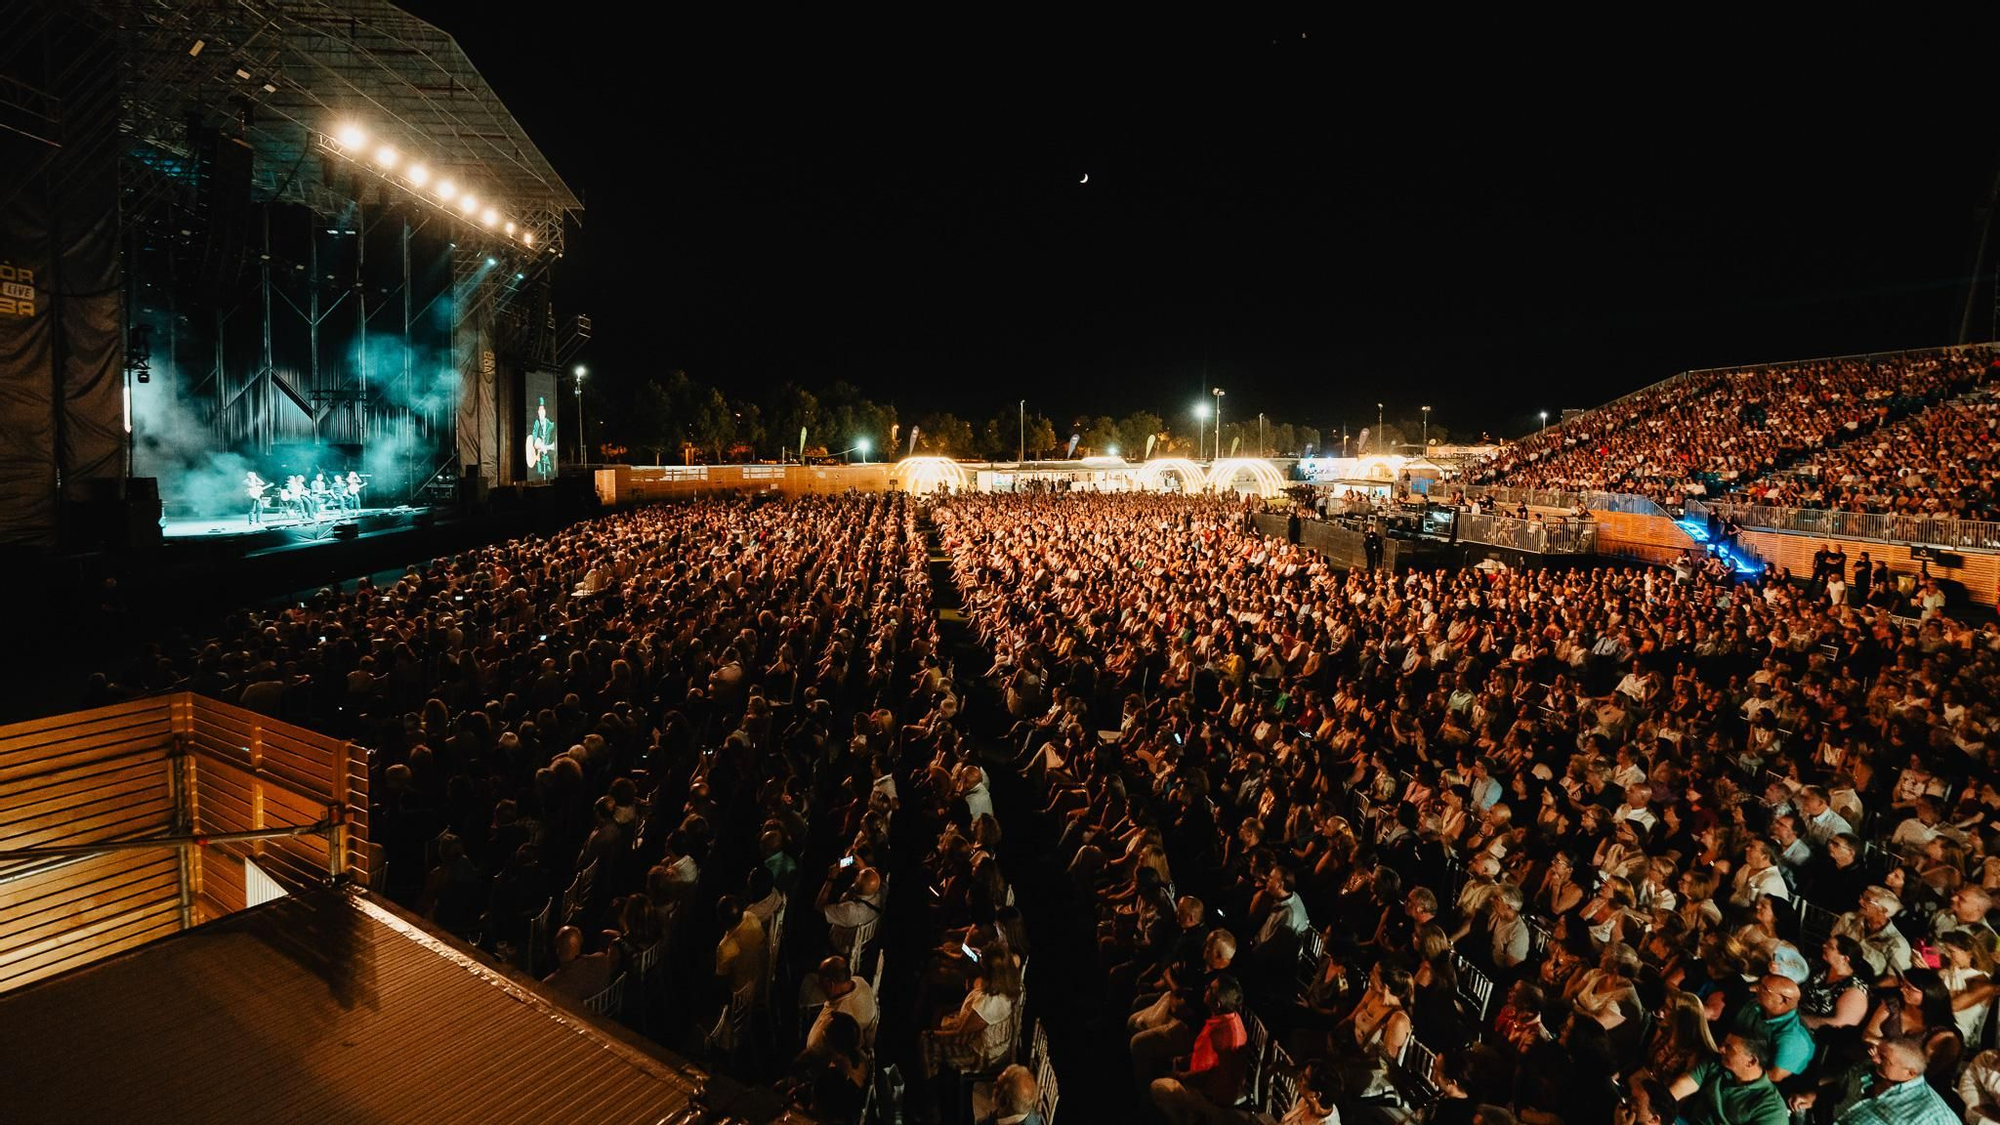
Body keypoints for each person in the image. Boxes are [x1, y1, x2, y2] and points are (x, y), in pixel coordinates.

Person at [1667, 1031, 1788, 1125]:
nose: (1721, 1049)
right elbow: (1682, 1086)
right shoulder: (1716, 1063)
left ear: (1751, 1061)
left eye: (1729, 1048)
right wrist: (1660, 1108)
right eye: (1724, 1044)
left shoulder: (1771, 1108)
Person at [530, 396, 558, 480]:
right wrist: (540, 445)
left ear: (545, 412)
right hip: (538, 455)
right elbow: (534, 437)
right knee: (539, 474)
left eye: (542, 410)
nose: (540, 413)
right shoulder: (536, 423)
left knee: (549, 472)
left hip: (547, 457)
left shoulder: (550, 425)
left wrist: (547, 447)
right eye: (539, 411)